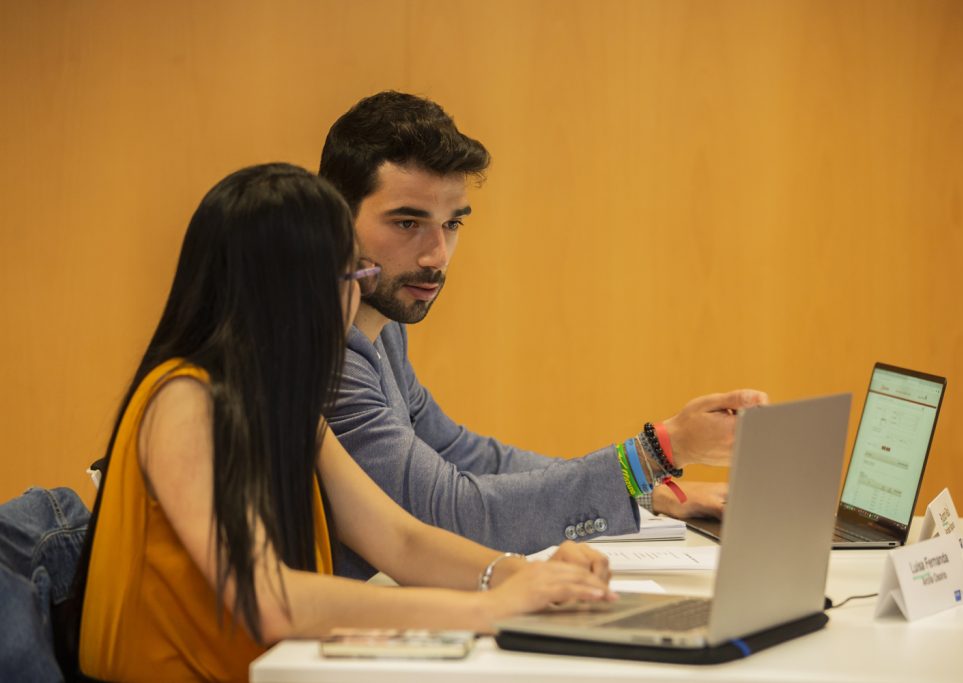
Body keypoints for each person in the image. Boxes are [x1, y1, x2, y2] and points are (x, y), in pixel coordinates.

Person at [74, 163, 612, 682]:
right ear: (288, 288)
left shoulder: (278, 397)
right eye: (352, 273)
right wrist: (487, 610)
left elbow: (398, 540)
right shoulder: (185, 401)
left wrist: (516, 573)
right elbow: (270, 600)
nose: (357, 293)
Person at [319, 92, 768, 579]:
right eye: (408, 222)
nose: (437, 256)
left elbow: (463, 454)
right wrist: (657, 451)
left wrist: (645, 486)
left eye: (451, 224)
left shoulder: (380, 329)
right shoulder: (324, 352)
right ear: (333, 218)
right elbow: (449, 516)